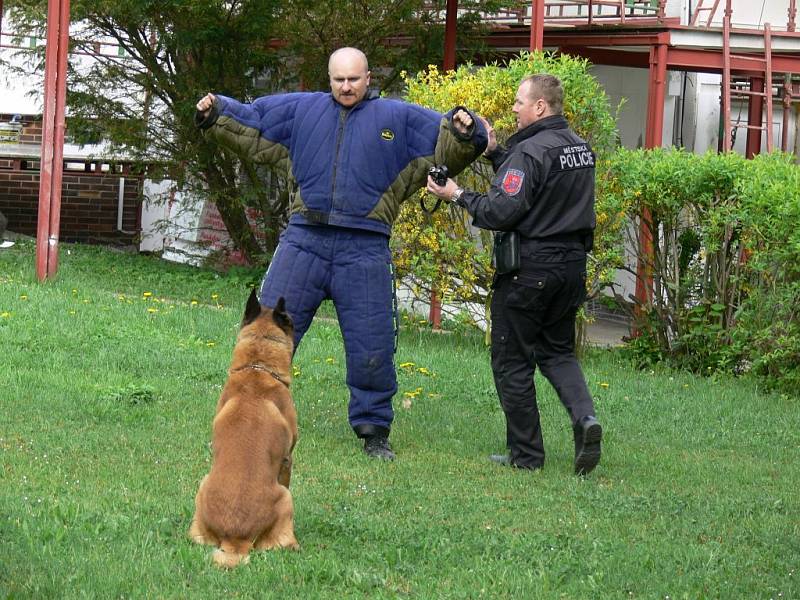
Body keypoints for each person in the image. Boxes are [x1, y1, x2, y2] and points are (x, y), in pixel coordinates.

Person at [196, 47, 487, 461]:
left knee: (373, 344)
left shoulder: (398, 118)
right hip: (304, 240)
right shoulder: (301, 111)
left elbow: (446, 142)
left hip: (365, 247)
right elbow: (254, 121)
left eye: (353, 79)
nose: (345, 86)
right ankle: (246, 414)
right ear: (328, 79)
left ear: (368, 78)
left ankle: (374, 432)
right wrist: (216, 111)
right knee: (266, 335)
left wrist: (465, 129)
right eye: (338, 79)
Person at [426, 74, 603, 474]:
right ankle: (585, 420)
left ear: (540, 106)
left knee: (512, 361)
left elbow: (501, 209)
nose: (514, 108)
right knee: (557, 352)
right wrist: (493, 151)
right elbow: (532, 183)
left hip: (530, 270)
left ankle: (526, 457)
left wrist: (455, 194)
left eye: (520, 102)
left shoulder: (531, 152)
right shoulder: (579, 148)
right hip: (572, 268)